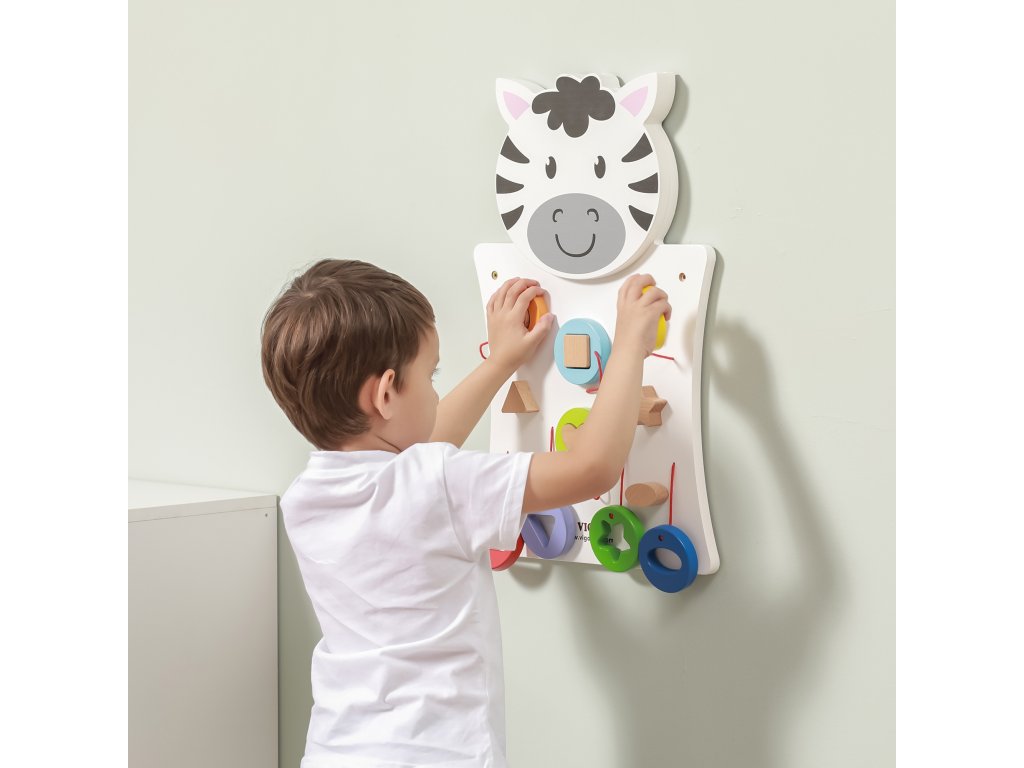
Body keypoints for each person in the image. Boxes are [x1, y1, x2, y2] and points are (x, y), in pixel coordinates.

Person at [260, 258, 670, 768]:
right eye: (429, 374)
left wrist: (501, 362)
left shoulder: (304, 499)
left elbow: (413, 455)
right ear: (385, 393)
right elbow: (591, 468)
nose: (435, 390)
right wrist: (630, 344)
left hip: (336, 751)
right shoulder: (438, 485)